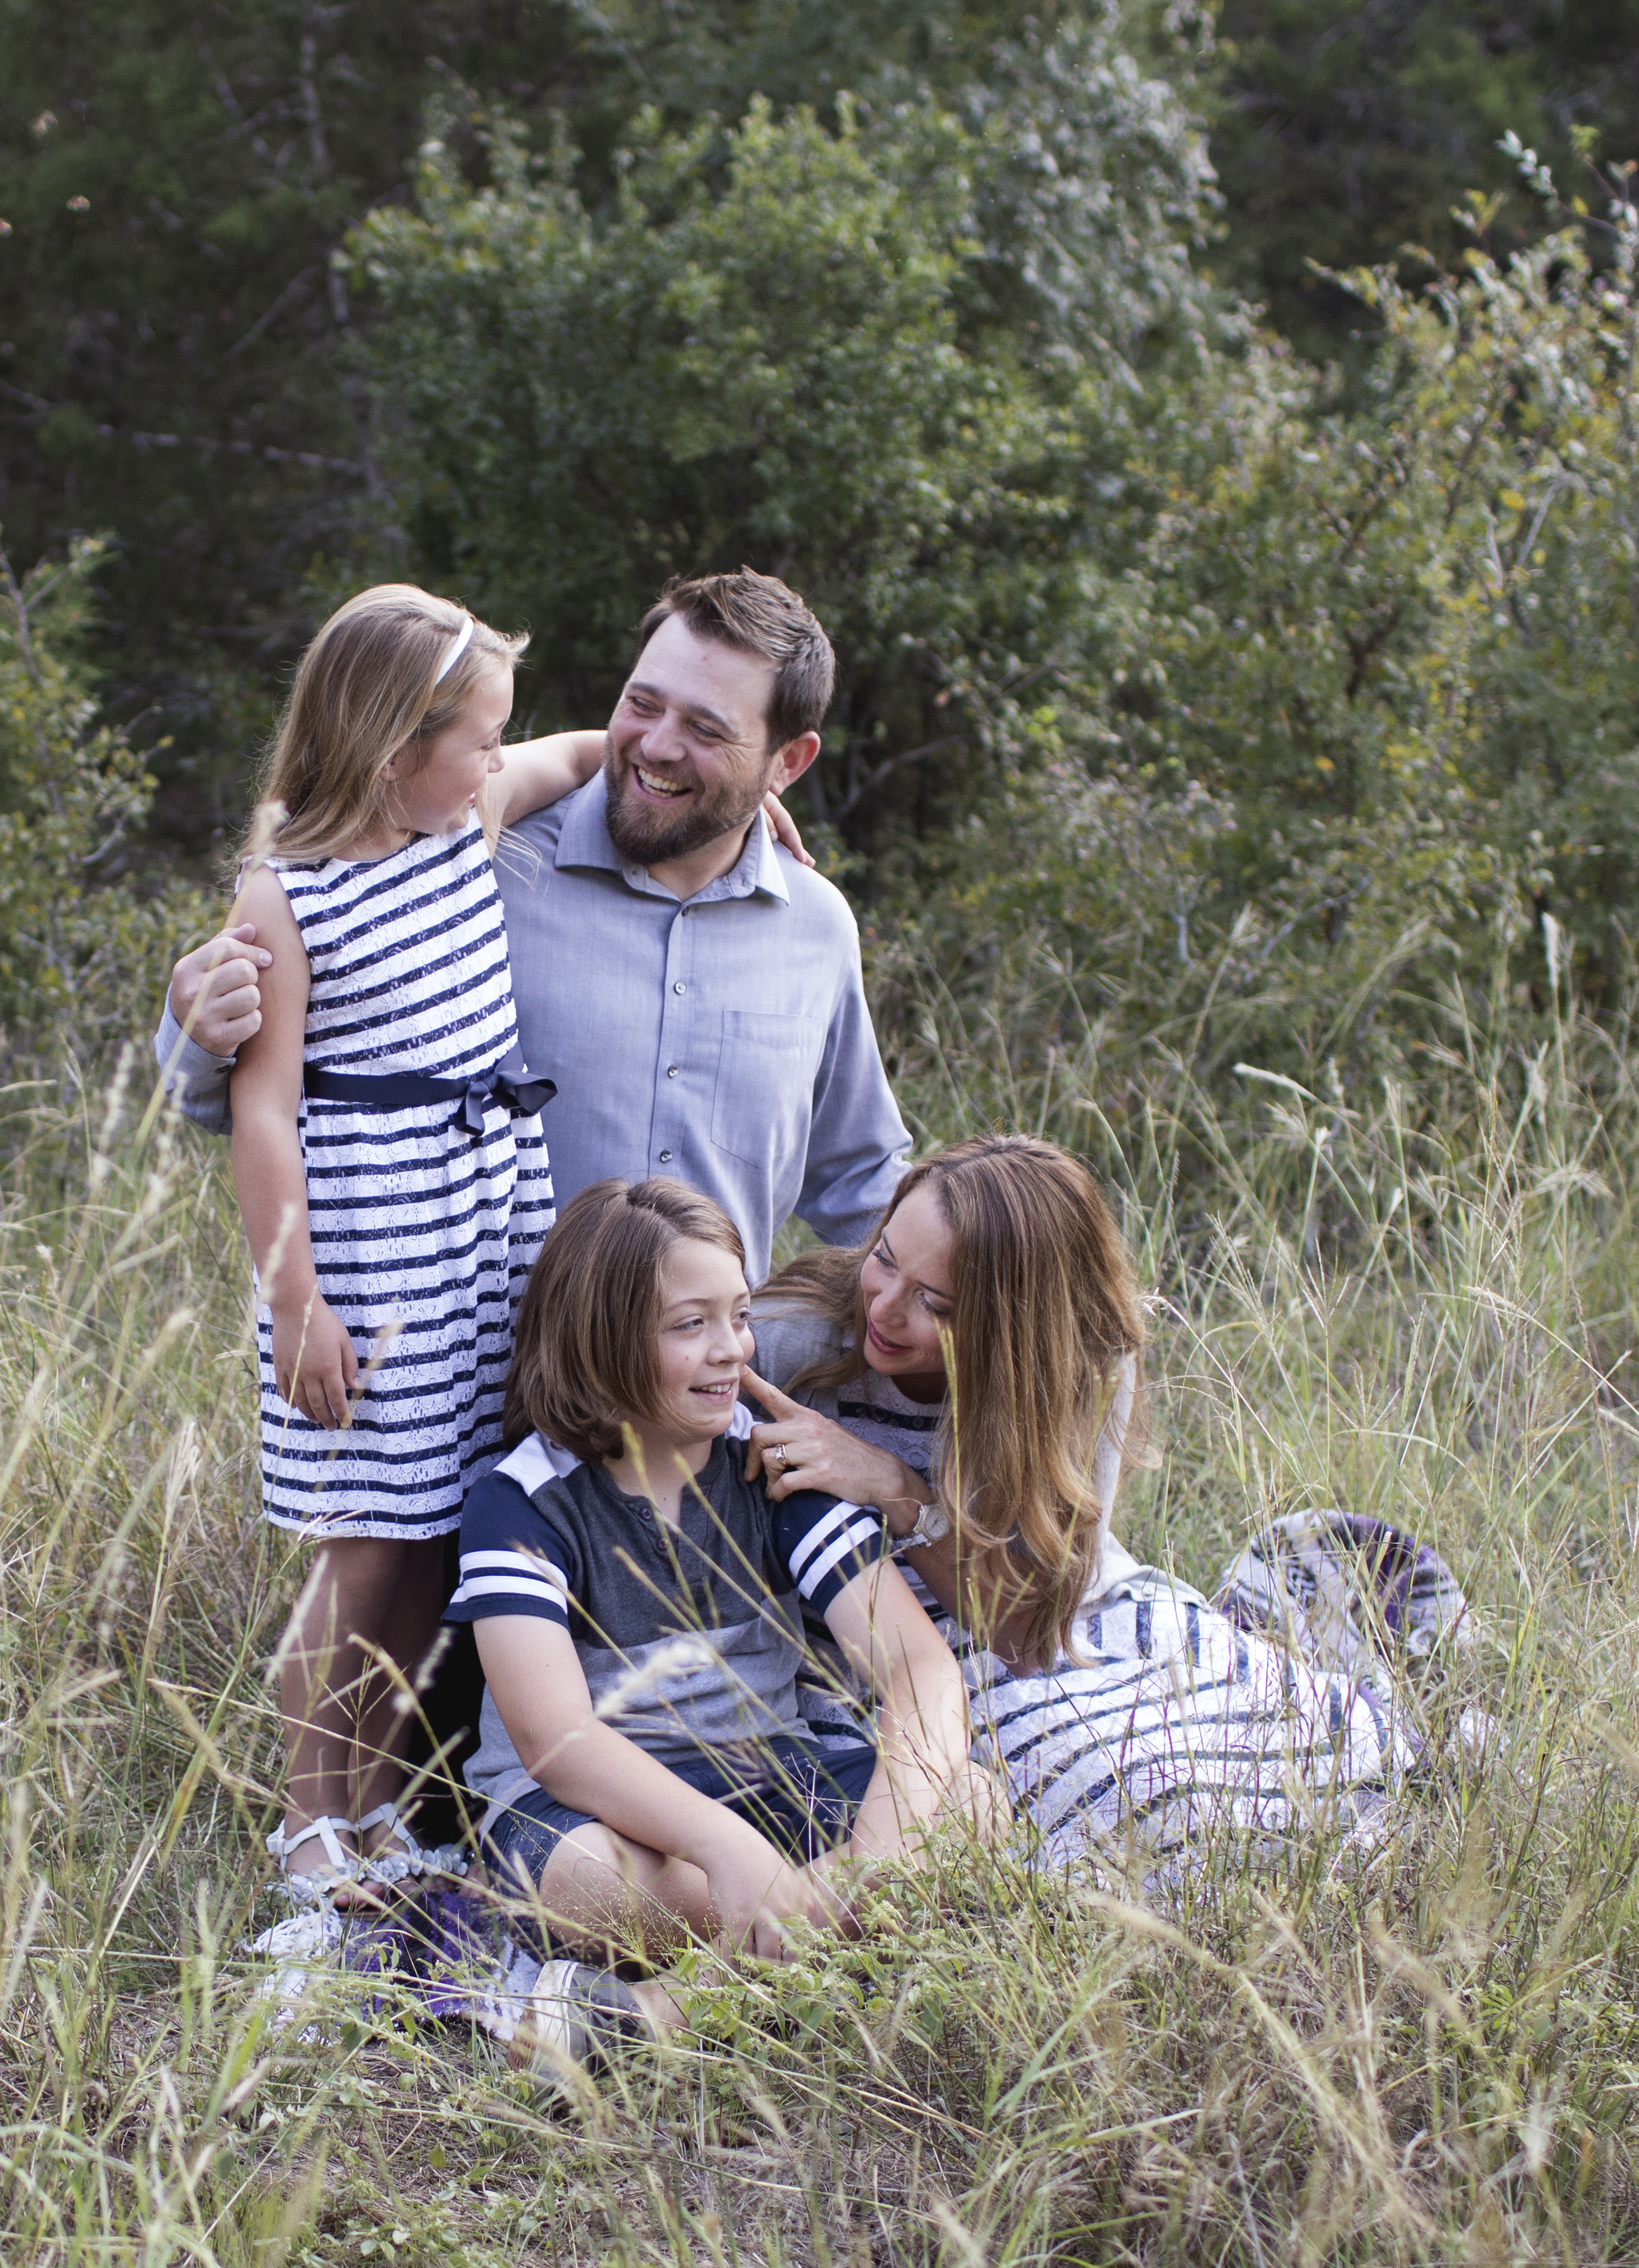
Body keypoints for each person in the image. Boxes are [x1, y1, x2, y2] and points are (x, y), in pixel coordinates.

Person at [157, 568, 912, 1284]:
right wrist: (196, 1030)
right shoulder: (472, 860)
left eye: (706, 730)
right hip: (476, 1387)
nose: (655, 746)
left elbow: (856, 1178)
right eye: (642, 704)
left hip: (702, 1404)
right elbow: (275, 1097)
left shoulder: (816, 926)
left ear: (788, 761)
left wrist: (963, 1331)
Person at [741, 1135, 1471, 1872]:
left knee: (1311, 1739)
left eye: (934, 1303)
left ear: (1016, 1324)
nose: (885, 1308)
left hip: (1036, 1614)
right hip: (881, 1649)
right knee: (1123, 1790)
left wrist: (898, 1489)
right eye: (885, 1258)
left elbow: (1028, 1625)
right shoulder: (784, 1343)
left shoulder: (1082, 1361)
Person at [226, 583, 599, 1927]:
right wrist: (299, 1305)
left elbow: (568, 754)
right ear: (394, 745)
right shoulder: (287, 892)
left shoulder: (459, 826)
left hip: (481, 1231)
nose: (501, 760)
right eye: (476, 738)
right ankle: (308, 1818)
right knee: (362, 1550)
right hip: (366, 1255)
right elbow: (261, 1109)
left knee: (438, 1531)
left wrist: (667, 758)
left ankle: (381, 1805)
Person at [448, 1177, 998, 2061]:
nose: (727, 1350)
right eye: (688, 1324)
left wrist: (877, 1856)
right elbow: (558, 1740)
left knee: (970, 1803)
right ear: (601, 1338)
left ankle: (670, 2007)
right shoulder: (521, 1502)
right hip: (604, 1815)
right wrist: (726, 1847)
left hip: (776, 1777)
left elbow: (918, 1668)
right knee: (593, 1888)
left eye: (737, 1316)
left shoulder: (770, 1471)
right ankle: (833, 1936)